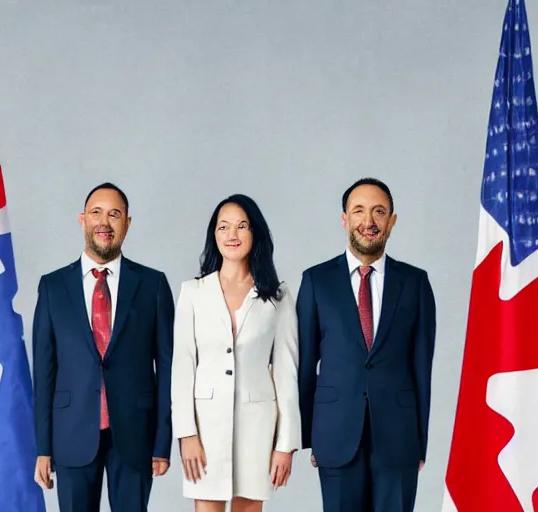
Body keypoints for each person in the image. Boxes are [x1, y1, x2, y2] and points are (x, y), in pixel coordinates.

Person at [31, 182, 174, 512]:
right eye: (96, 212)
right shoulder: (53, 287)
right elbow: (44, 370)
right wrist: (43, 446)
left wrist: (161, 441)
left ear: (127, 223)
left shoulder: (152, 285)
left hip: (135, 434)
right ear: (82, 219)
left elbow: (168, 368)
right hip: (71, 433)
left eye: (115, 214)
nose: (104, 222)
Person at [297, 178, 436, 512]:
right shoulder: (316, 281)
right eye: (358, 211)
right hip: (335, 434)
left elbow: (422, 369)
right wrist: (309, 436)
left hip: (399, 438)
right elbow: (304, 366)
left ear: (392, 220)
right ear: (344, 219)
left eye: (379, 211)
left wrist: (419, 442)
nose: (369, 221)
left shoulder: (415, 283)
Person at [171, 194, 301, 512]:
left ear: (254, 233)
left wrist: (286, 445)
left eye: (242, 226)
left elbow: (287, 372)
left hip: (258, 426)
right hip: (205, 428)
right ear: (214, 235)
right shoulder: (193, 292)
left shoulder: (278, 296)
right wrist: (186, 434)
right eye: (224, 227)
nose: (232, 235)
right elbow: (182, 366)